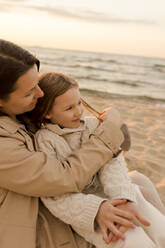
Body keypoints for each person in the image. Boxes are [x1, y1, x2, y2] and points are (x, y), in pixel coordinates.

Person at [0, 39, 148, 248]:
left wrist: (111, 125)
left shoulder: (20, 114)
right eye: (29, 91)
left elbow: (118, 149)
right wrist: (109, 133)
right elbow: (62, 177)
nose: (40, 94)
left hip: (66, 208)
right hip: (43, 232)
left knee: (141, 184)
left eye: (37, 85)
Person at [30, 71, 165, 248]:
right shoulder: (45, 141)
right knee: (133, 241)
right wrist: (97, 209)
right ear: (47, 113)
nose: (78, 111)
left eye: (79, 103)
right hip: (90, 212)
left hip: (117, 195)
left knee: (158, 226)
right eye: (69, 108)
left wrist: (123, 198)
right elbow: (55, 195)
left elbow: (113, 163)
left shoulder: (93, 125)